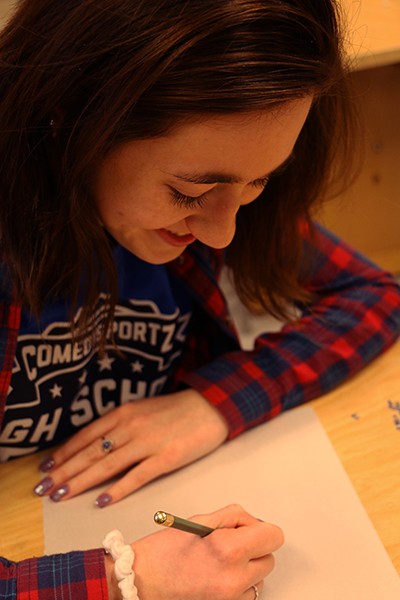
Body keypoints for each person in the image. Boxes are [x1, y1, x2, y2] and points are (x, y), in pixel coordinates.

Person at [1, 0, 400, 598]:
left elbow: (375, 295)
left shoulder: (213, 192)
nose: (223, 233)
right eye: (190, 191)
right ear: (69, 119)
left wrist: (213, 402)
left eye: (260, 182)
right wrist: (127, 579)